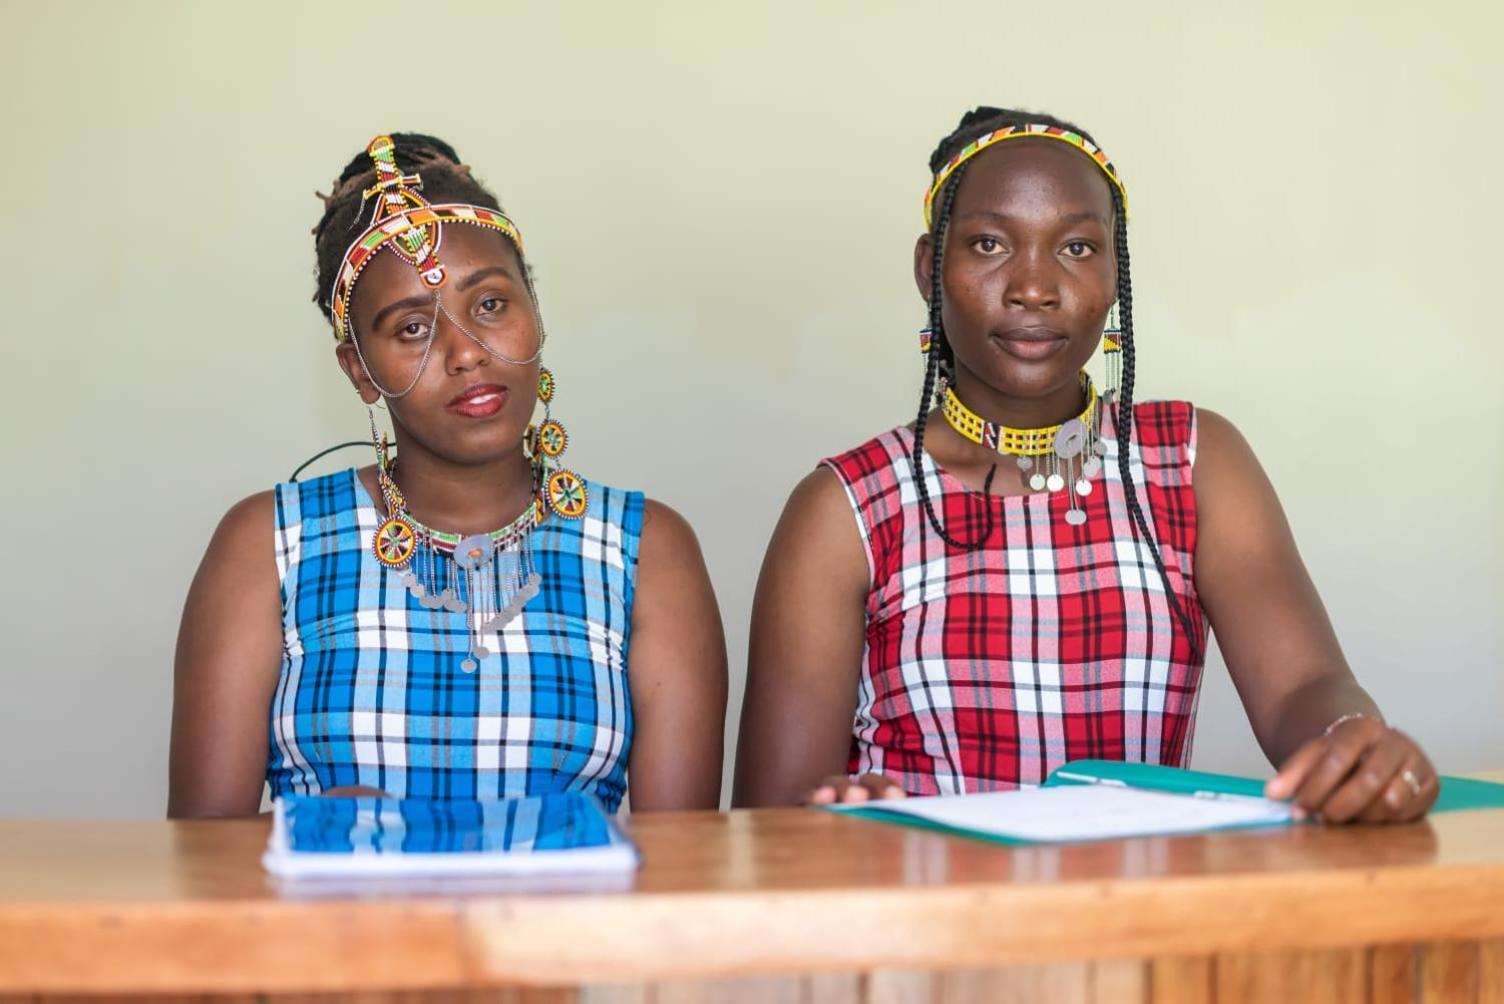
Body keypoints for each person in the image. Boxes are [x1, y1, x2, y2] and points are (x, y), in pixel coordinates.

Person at [735, 107, 1436, 824]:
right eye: (987, 243)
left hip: (1137, 918)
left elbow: (1304, 686)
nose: (1034, 287)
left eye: (1075, 248)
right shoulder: (847, 507)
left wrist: (1352, 741)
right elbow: (764, 828)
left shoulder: (1194, 463)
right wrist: (843, 815)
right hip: (929, 922)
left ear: (1113, 270)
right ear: (929, 267)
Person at [170, 133, 726, 817]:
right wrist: (312, 829)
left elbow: (680, 874)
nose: (465, 352)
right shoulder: (267, 546)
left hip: (563, 930)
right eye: (411, 328)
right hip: (331, 929)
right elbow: (195, 868)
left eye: (490, 305)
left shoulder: (645, 550)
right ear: (359, 370)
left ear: (536, 312)